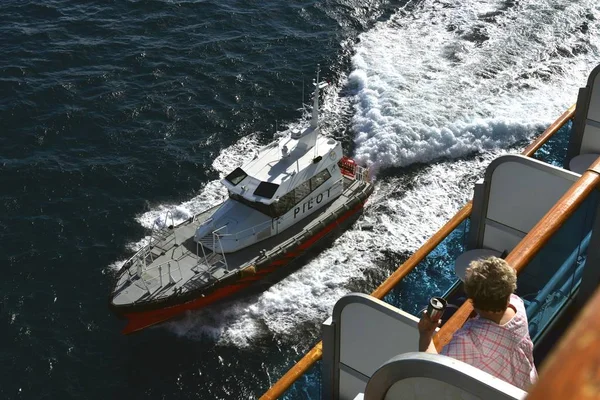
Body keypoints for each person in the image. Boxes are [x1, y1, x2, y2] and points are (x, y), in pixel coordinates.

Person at [418, 256, 538, 391]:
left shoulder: (470, 342)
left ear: (472, 300)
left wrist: (426, 334)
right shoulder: (518, 307)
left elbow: (434, 372)